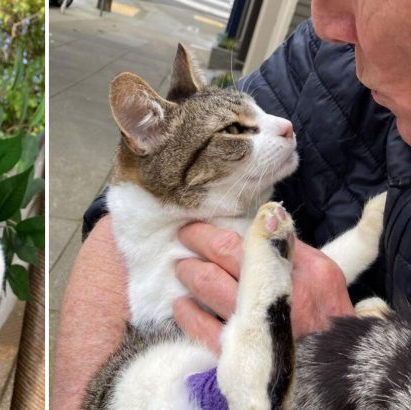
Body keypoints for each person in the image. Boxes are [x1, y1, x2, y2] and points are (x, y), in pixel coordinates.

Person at [51, 0, 411, 408]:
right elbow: (313, 283)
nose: (284, 125)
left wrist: (324, 341)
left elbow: (309, 292)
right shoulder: (324, 54)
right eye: (240, 128)